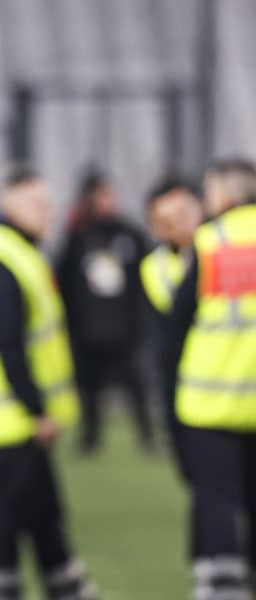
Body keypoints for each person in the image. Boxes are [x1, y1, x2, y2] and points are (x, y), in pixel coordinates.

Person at [0, 167, 97, 600]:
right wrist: (37, 410)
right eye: (37, 203)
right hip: (10, 413)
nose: (46, 211)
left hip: (13, 411)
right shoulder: (2, 257)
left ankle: (66, 586)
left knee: (42, 508)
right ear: (8, 205)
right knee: (10, 510)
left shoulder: (16, 250)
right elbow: (8, 344)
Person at [165, 158, 256, 598]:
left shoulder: (211, 243)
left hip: (211, 402)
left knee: (217, 501)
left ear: (223, 194)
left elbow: (176, 326)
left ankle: (223, 587)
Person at [56, 168, 153, 454]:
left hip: (124, 328)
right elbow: (65, 281)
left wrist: (140, 318)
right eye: (103, 195)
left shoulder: (130, 235)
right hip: (88, 329)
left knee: (135, 383)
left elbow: (146, 278)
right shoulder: (79, 237)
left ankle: (147, 436)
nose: (110, 201)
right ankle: (89, 437)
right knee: (89, 387)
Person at [140, 175, 203, 481]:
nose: (174, 225)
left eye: (181, 215)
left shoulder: (222, 251)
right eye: (164, 219)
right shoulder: (155, 267)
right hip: (188, 385)